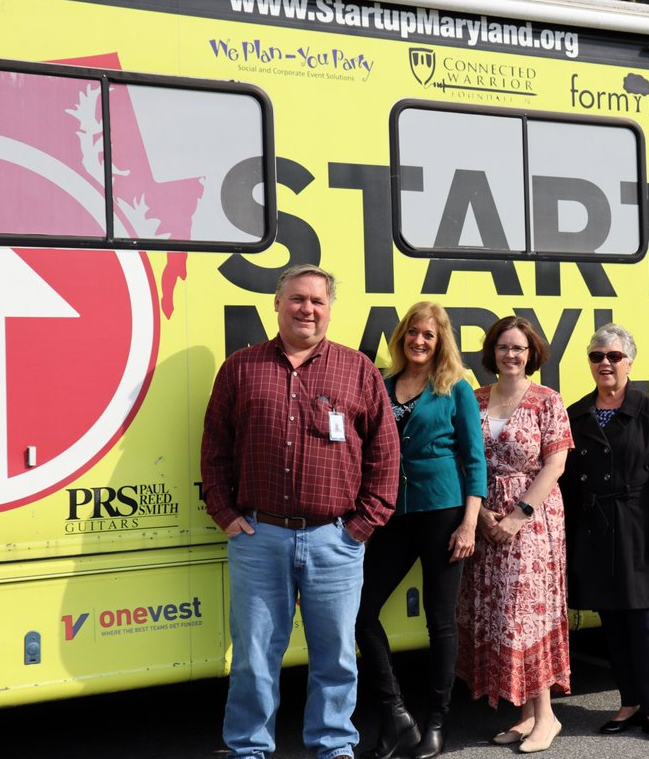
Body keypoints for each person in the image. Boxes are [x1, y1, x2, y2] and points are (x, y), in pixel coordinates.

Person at [201, 264, 400, 759]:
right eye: (296, 299)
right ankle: (249, 747)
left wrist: (362, 526)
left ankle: (333, 745)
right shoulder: (241, 368)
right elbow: (214, 448)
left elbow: (385, 454)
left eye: (316, 300)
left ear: (329, 309)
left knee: (334, 657)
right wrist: (226, 514)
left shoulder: (358, 370)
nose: (306, 308)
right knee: (253, 657)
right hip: (259, 536)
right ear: (277, 303)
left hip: (336, 540)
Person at [354, 302, 487, 759]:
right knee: (360, 610)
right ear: (402, 336)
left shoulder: (455, 388)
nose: (419, 341)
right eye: (413, 332)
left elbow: (474, 459)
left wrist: (469, 523)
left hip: (443, 512)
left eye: (429, 335)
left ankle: (436, 722)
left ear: (440, 340)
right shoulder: (383, 384)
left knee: (440, 620)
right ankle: (396, 714)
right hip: (392, 514)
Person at [560, 324, 649, 744]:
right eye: (597, 357)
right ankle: (629, 701)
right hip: (595, 529)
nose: (605, 364)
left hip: (641, 527)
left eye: (613, 356)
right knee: (612, 619)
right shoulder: (576, 413)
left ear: (629, 362)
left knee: (645, 620)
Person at [455, 316, 574, 755]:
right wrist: (483, 515)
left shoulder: (547, 400)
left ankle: (547, 717)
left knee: (527, 615)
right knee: (499, 614)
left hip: (533, 520)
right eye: (504, 347)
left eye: (519, 348)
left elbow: (554, 465)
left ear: (532, 354)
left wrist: (516, 517)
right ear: (492, 352)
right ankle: (524, 715)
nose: (511, 355)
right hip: (483, 516)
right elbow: (465, 458)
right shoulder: (475, 398)